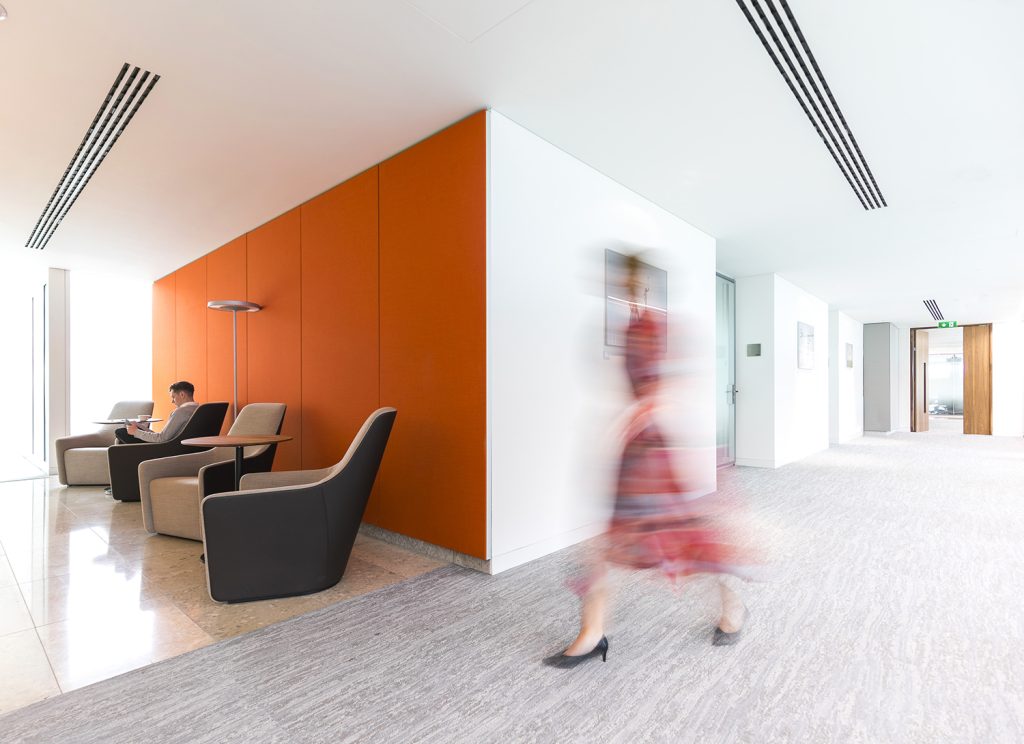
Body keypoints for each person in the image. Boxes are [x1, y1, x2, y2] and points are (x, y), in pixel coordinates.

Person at [544, 253, 749, 669]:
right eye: (618, 283)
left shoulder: (659, 325)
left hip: (656, 448)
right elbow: (627, 389)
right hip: (634, 448)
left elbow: (681, 383)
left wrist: (651, 411)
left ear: (642, 285)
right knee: (609, 537)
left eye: (629, 282)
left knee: (682, 537)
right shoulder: (627, 326)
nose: (623, 289)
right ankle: (592, 632)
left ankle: (733, 605)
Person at [114, 381, 199, 444]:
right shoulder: (199, 410)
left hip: (166, 448)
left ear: (182, 395)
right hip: (180, 446)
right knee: (126, 432)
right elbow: (164, 436)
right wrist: (139, 427)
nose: (172, 401)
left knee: (121, 432)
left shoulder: (180, 412)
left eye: (173, 397)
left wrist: (136, 432)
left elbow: (161, 438)